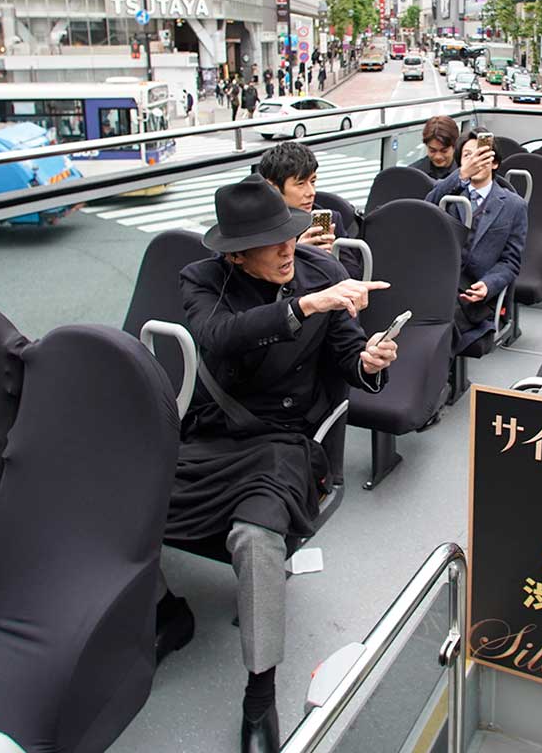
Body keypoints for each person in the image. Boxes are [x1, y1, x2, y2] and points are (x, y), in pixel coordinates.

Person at [158, 175, 398, 753]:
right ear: (236, 255)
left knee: (257, 536)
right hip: (214, 435)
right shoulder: (202, 281)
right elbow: (218, 338)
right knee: (122, 495)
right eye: (272, 243)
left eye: (289, 235)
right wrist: (302, 306)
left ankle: (260, 694)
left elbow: (346, 356)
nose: (289, 248)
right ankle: (166, 611)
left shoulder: (325, 273)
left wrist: (370, 358)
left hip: (284, 440)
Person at [426, 130, 527, 354]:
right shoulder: (448, 194)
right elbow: (426, 209)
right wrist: (461, 175)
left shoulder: (514, 206)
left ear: (495, 162)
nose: (475, 161)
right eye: (468, 156)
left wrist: (489, 284)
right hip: (440, 284)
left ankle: (436, 377)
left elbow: (510, 261)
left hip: (474, 293)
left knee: (442, 320)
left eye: (482, 155)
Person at [258, 142, 363, 281]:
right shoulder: (258, 226)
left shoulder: (328, 220)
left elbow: (354, 277)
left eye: (312, 182)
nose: (311, 192)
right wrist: (299, 254)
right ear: (273, 187)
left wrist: (330, 257)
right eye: (300, 184)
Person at [411, 115, 460, 180]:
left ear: (454, 146)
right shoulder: (414, 173)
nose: (438, 157)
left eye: (444, 151)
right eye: (432, 151)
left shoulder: (466, 171)